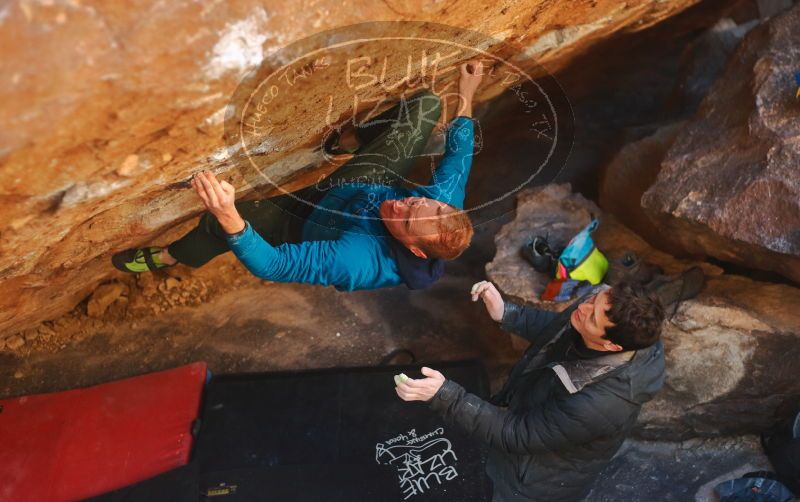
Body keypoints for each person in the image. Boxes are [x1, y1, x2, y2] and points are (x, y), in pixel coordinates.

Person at [112, 61, 485, 291]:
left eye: (405, 216)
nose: (404, 203)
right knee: (427, 107)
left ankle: (171, 256)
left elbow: (274, 266)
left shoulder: (357, 260)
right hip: (361, 186)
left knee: (218, 225)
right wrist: (467, 95)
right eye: (417, 200)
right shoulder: (438, 209)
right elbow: (459, 158)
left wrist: (228, 214)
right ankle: (346, 142)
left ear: (414, 249)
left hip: (303, 221)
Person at [395, 280, 666, 502]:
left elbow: (518, 434)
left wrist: (446, 396)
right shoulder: (605, 321)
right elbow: (561, 329)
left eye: (592, 316)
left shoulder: (599, 404)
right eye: (594, 299)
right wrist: (508, 313)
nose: (584, 306)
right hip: (536, 422)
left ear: (610, 347)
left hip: (533, 477)